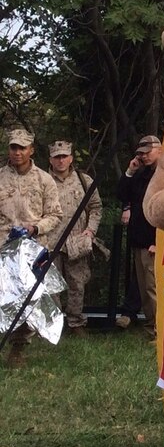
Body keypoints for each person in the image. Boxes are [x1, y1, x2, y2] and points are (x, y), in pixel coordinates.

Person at [0, 127, 62, 365]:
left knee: (28, 299)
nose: (17, 152)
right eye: (13, 147)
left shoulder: (44, 179)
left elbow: (56, 214)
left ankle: (18, 347)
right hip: (4, 247)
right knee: (5, 296)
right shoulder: (1, 177)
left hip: (34, 248)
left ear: (31, 150)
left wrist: (35, 228)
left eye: (22, 148)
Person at [43, 140, 101, 335]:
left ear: (71, 158)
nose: (61, 160)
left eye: (64, 156)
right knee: (51, 285)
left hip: (77, 241)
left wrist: (90, 231)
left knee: (77, 283)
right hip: (49, 241)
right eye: (56, 156)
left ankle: (76, 323)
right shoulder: (42, 181)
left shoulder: (84, 180)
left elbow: (95, 208)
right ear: (50, 159)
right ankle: (54, 325)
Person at [116, 134, 162, 338]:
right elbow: (122, 194)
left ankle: (160, 330)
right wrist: (129, 171)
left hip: (154, 241)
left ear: (159, 149)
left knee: (154, 288)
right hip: (138, 239)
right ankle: (150, 327)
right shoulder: (141, 175)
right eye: (141, 154)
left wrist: (158, 242)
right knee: (144, 289)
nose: (143, 157)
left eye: (147, 153)